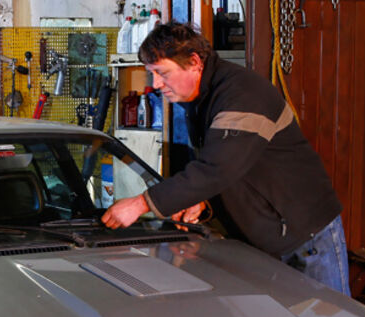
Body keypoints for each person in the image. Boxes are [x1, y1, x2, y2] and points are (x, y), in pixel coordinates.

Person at [101, 21, 350, 295]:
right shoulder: (201, 100)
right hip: (267, 238)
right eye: (152, 74)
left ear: (194, 62)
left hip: (306, 239)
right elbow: (235, 164)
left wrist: (141, 203)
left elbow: (217, 168)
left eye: (162, 73)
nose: (156, 84)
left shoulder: (241, 95)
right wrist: (203, 200)